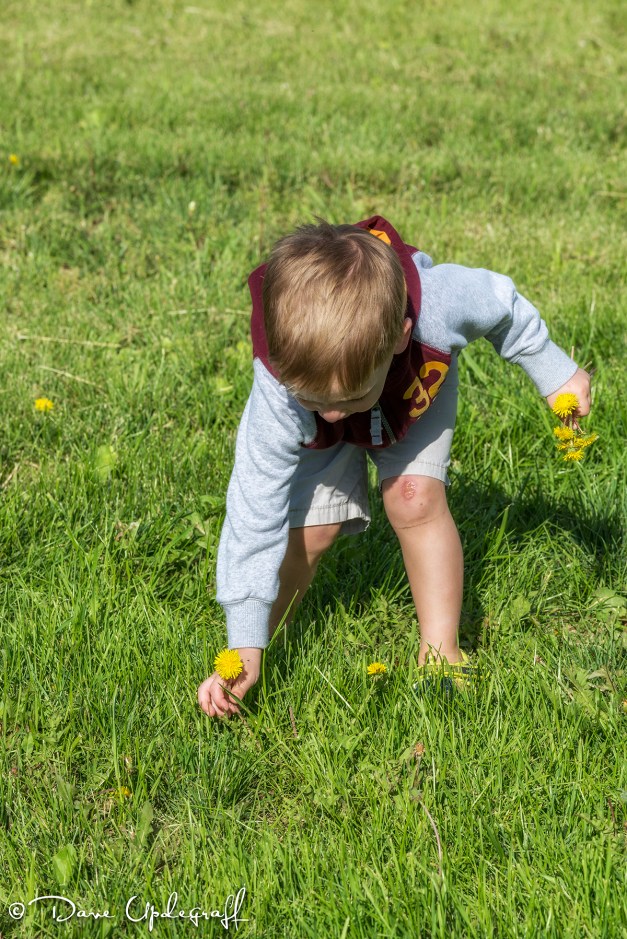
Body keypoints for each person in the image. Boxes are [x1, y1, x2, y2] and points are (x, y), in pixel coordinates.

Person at [197, 215, 591, 717]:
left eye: (347, 399)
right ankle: (260, 648)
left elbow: (500, 303)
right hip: (315, 410)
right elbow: (254, 513)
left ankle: (440, 653)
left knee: (415, 501)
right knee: (312, 531)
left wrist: (556, 373)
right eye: (316, 400)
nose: (333, 413)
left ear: (401, 334)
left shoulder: (439, 304)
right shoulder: (281, 393)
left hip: (410, 389)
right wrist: (242, 641)